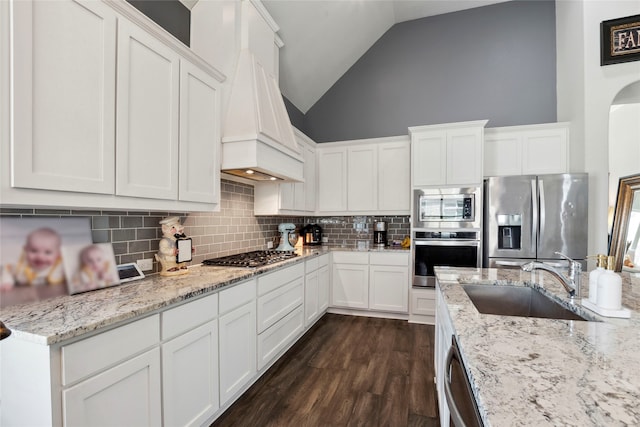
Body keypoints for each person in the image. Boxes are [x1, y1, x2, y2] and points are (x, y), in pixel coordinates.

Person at [1, 227, 65, 289]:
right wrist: (6, 282)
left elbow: (72, 275)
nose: (40, 257)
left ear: (58, 255)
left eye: (47, 252)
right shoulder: (19, 266)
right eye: (34, 250)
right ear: (25, 249)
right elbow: (7, 269)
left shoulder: (60, 267)